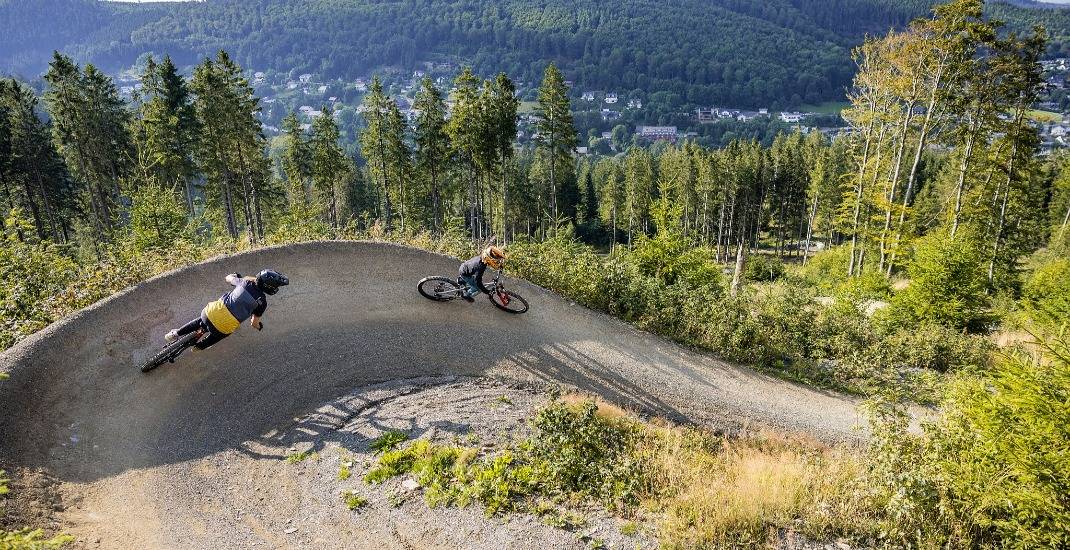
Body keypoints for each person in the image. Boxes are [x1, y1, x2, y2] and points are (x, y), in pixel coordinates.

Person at [164, 269, 289, 350]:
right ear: (269, 288)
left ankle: (176, 333)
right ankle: (199, 347)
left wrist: (234, 275)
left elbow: (228, 278)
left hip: (211, 313)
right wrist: (259, 327)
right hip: (223, 327)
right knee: (217, 336)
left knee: (200, 321)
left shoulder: (244, 282)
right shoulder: (262, 302)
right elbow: (254, 323)